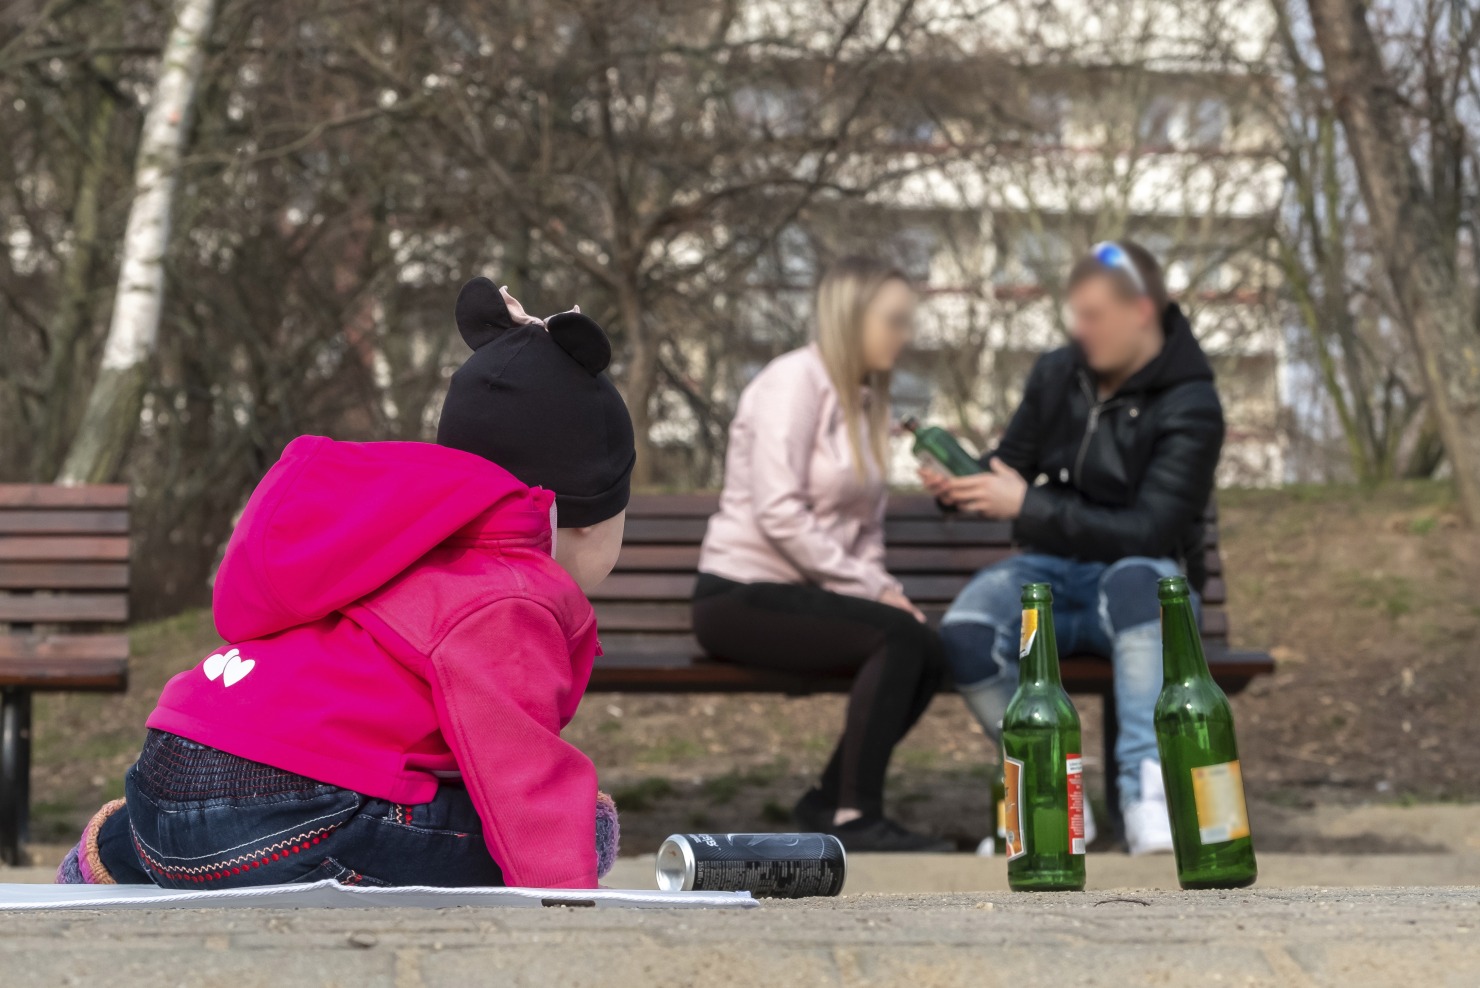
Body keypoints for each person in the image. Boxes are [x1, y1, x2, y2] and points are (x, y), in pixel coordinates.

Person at [58, 277, 635, 890]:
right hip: (289, 820)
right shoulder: (509, 595)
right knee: (577, 824)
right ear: (586, 518)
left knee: (254, 795)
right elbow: (517, 766)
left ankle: (114, 850)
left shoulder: (385, 547)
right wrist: (563, 884)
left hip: (166, 779)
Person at [920, 240, 1225, 855]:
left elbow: (1151, 531)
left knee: (1140, 584)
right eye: (1076, 314)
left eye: (1092, 316)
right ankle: (1051, 794)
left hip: (1139, 580)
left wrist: (1028, 507)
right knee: (968, 632)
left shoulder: (1193, 403)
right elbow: (1012, 463)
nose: (1078, 329)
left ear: (1140, 310)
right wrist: (962, 485)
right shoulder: (1058, 373)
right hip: (1051, 572)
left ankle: (1147, 797)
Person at [692, 256, 950, 853]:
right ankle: (854, 815)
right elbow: (778, 511)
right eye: (893, 320)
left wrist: (883, 589)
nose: (904, 335)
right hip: (740, 596)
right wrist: (875, 591)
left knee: (928, 647)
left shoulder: (868, 405)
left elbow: (866, 533)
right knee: (898, 637)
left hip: (808, 595)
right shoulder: (792, 383)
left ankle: (828, 801)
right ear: (851, 317)